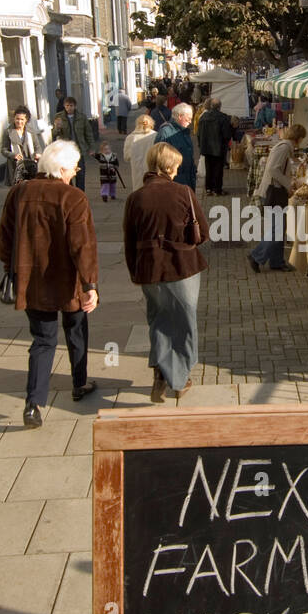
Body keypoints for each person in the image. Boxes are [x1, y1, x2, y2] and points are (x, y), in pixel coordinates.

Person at [0, 139, 99, 428]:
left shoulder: (19, 193)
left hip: (32, 281)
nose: (76, 172)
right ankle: (78, 384)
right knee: (76, 330)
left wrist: (12, 268)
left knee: (42, 341)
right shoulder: (73, 197)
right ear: (63, 167)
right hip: (69, 281)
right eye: (75, 167)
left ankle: (33, 404)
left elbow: (3, 239)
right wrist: (91, 284)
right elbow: (83, 247)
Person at [123, 142, 209, 403]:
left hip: (149, 267)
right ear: (169, 166)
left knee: (159, 322)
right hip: (182, 266)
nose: (177, 171)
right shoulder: (183, 192)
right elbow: (202, 233)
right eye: (177, 167)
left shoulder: (135, 198)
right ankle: (179, 379)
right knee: (184, 322)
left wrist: (135, 271)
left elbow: (129, 241)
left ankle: (161, 371)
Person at [247, 124, 306, 273]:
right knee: (277, 229)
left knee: (278, 228)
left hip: (276, 190)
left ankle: (277, 261)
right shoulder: (285, 147)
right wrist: (288, 185)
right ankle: (256, 255)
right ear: (298, 138)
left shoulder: (283, 146)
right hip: (275, 191)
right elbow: (273, 169)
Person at [52, 97, 95, 191]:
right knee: (68, 174)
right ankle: (70, 193)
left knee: (80, 173)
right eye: (67, 105)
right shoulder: (59, 117)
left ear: (75, 106)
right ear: (64, 106)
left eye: (71, 105)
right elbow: (54, 135)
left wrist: (91, 148)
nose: (69, 108)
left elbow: (88, 133)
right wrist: (57, 128)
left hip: (79, 150)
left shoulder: (81, 117)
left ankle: (80, 193)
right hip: (66, 151)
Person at [154, 102, 196, 189]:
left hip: (187, 180)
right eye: (188, 119)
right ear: (180, 116)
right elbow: (158, 160)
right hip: (174, 182)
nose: (190, 122)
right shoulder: (165, 132)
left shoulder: (184, 131)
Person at [197, 97, 232, 196]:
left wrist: (200, 145)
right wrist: (226, 144)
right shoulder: (223, 117)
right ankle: (217, 189)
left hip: (206, 147)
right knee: (218, 169)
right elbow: (226, 135)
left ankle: (208, 188)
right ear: (219, 107)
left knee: (209, 168)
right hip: (219, 148)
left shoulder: (203, 117)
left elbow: (199, 133)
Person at [1, 106, 43, 186]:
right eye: (17, 119)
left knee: (30, 189)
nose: (19, 121)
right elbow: (4, 150)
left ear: (26, 120)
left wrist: (38, 153)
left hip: (30, 165)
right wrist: (13, 155)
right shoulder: (8, 132)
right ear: (14, 118)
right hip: (15, 167)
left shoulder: (31, 131)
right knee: (18, 191)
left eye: (22, 119)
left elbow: (37, 147)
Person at [124, 113, 156, 191]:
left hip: (137, 170)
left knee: (138, 191)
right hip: (152, 170)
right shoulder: (156, 136)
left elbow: (127, 157)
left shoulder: (131, 137)